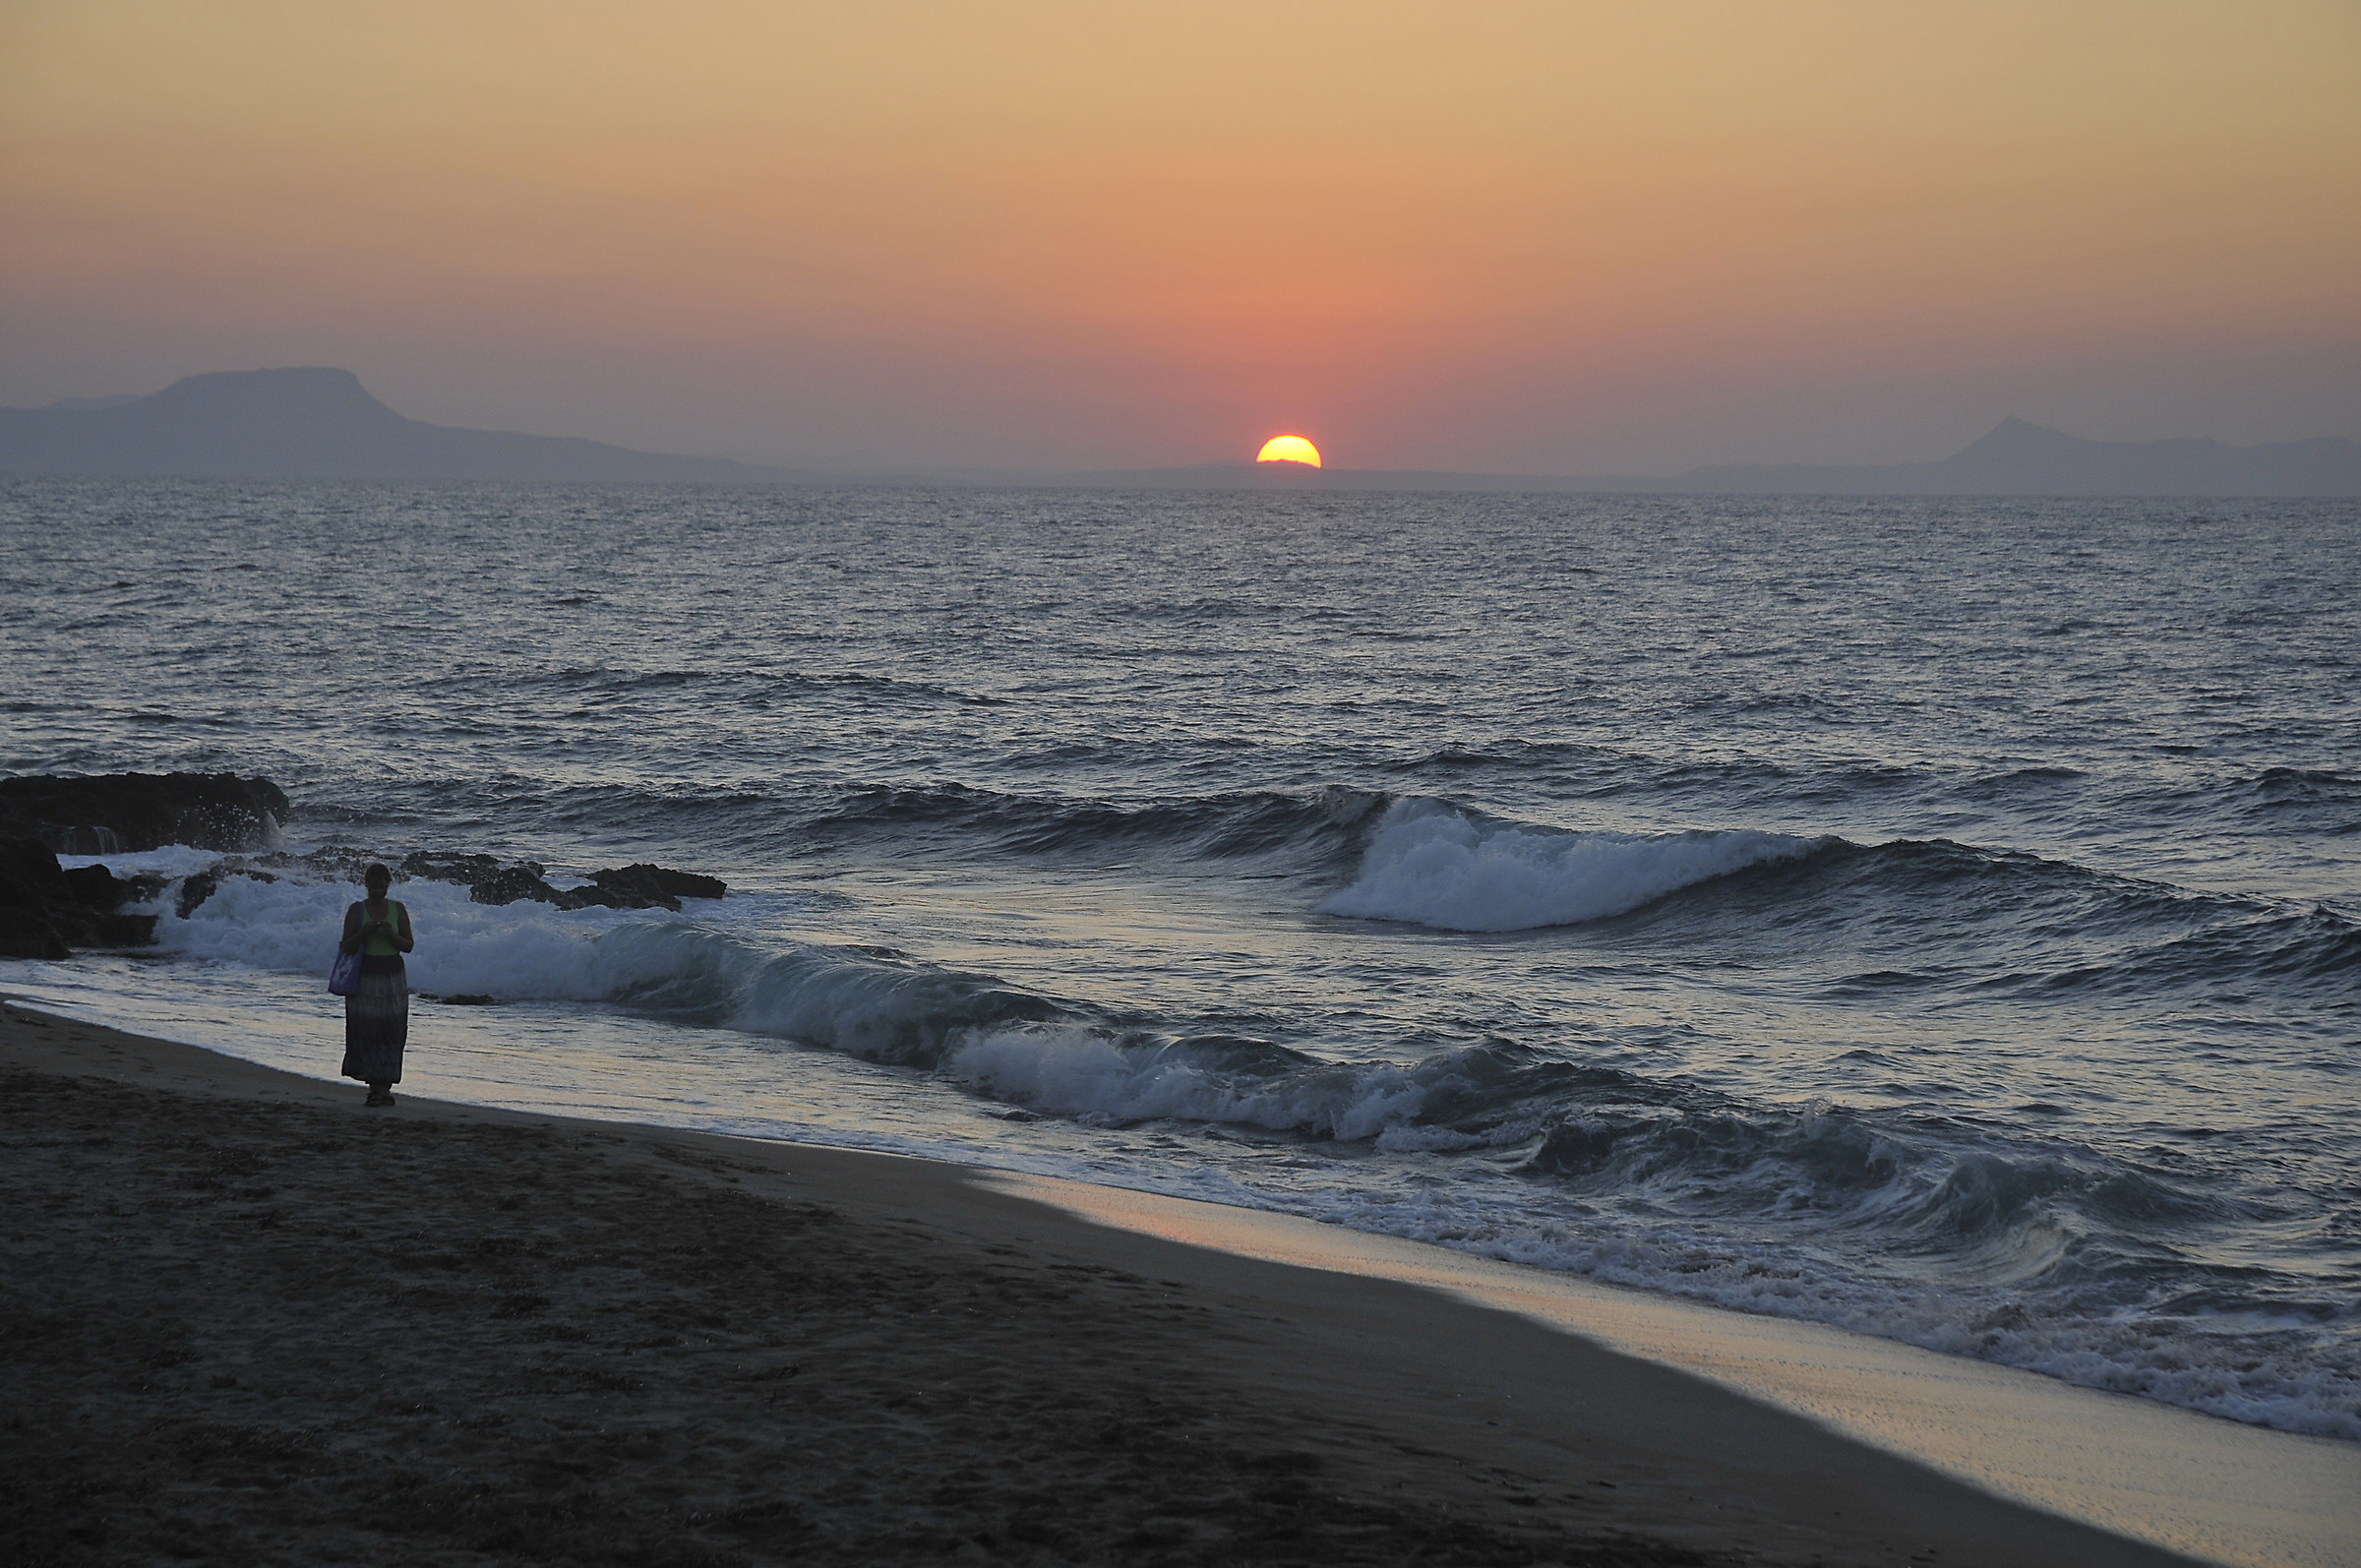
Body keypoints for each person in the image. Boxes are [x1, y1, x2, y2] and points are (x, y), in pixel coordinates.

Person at [339, 863, 414, 1106]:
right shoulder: (357, 910)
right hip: (365, 975)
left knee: (392, 1029)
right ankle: (374, 1088)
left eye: (383, 886)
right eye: (374, 886)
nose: (379, 890)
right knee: (367, 1029)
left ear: (388, 885)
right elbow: (346, 946)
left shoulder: (398, 909)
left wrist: (391, 935)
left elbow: (408, 945)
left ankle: (386, 1087)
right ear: (366, 885)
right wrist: (364, 933)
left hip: (392, 975)